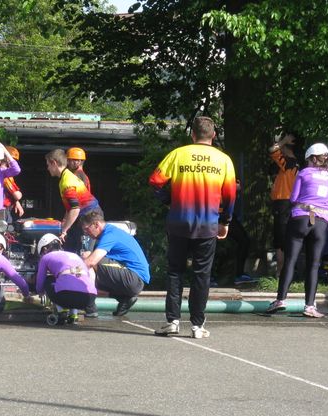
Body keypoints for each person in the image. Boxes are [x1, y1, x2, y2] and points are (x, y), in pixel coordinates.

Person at [148, 116, 236, 338]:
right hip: (208, 224)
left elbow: (155, 181)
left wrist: (169, 201)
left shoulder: (178, 154)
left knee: (175, 271)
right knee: (201, 274)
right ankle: (197, 325)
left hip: (179, 221)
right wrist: (225, 222)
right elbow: (230, 195)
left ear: (192, 134)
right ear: (213, 135)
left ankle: (172, 321)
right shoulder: (223, 160)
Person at [266, 143, 328, 318]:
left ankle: (280, 300)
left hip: (300, 218)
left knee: (290, 260)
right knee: (314, 265)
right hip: (322, 222)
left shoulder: (304, 173)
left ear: (312, 159)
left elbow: (294, 197)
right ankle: (309, 306)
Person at [80, 209, 150, 316]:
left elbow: (91, 261)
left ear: (96, 224)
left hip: (134, 278)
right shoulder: (111, 232)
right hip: (133, 279)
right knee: (89, 276)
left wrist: (68, 271)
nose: (86, 233)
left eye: (86, 229)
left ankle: (90, 307)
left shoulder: (110, 234)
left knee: (87, 257)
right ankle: (124, 298)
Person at [44, 148, 101, 254]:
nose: (47, 168)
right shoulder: (66, 177)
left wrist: (64, 230)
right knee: (75, 250)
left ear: (54, 163)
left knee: (84, 254)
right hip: (86, 215)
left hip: (90, 216)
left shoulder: (67, 182)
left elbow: (75, 209)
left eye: (48, 165)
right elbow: (71, 207)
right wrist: (65, 221)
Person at [35, 233, 97, 324]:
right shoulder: (75, 255)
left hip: (65, 296)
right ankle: (73, 315)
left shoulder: (46, 257)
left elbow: (40, 281)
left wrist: (39, 292)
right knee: (74, 280)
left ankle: (62, 311)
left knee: (49, 280)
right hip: (89, 299)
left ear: (44, 249)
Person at [268, 133, 299, 274]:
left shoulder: (288, 163)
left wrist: (283, 141)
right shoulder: (298, 163)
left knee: (280, 240)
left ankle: (280, 272)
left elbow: (272, 150)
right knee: (289, 237)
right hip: (292, 203)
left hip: (283, 203)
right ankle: (289, 271)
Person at [3, 146, 25, 223]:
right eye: (13, 160)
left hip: (6, 208)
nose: (14, 163)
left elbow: (11, 193)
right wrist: (19, 195)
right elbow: (17, 195)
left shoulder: (8, 175)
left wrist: (16, 202)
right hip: (2, 210)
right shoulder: (4, 174)